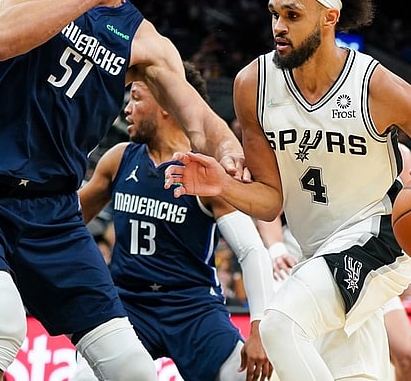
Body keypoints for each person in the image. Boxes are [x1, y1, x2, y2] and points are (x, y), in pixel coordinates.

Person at [0, 0, 245, 380]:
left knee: (134, 369)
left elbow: (199, 119)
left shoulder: (144, 40)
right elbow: (2, 37)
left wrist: (227, 153)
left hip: (53, 213)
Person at [164, 0, 411, 380]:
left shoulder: (377, 87)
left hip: (379, 238)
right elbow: (269, 201)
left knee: (282, 326)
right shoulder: (253, 85)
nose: (278, 27)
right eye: (274, 14)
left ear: (329, 18)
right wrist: (221, 186)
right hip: (314, 251)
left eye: (292, 15)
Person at [72, 62, 274, 381]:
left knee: (248, 377)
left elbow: (251, 250)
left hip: (191, 306)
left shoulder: (204, 171)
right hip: (128, 303)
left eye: (136, 97)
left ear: (166, 104)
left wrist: (260, 327)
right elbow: (65, 223)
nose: (127, 109)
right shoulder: (118, 159)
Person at [259, 142, 411, 381]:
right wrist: (275, 248)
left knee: (408, 352)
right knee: (289, 342)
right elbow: (267, 202)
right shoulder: (298, 139)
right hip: (303, 252)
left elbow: (407, 221)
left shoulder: (401, 155)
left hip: (368, 256)